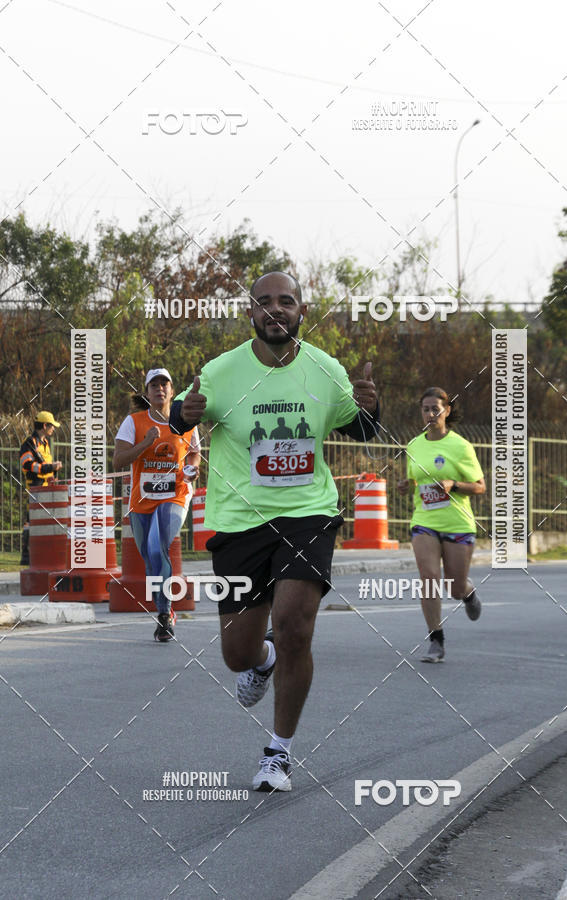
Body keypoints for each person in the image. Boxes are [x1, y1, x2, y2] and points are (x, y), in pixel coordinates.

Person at [169, 271, 380, 792]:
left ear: (301, 311)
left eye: (286, 301)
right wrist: (181, 413)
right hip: (240, 521)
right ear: (250, 315)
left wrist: (371, 407)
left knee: (294, 626)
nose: (275, 310)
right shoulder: (221, 372)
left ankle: (278, 754)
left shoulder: (324, 369)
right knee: (236, 653)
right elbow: (179, 421)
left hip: (308, 512)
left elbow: (363, 430)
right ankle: (259, 662)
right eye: (264, 302)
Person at [398, 387, 486, 663]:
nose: (430, 414)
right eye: (425, 409)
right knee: (429, 579)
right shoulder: (414, 445)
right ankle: (436, 639)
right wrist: (405, 485)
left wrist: (454, 485)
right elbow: (414, 481)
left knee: (454, 587)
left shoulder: (460, 446)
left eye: (435, 408)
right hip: (425, 520)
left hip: (457, 522)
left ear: (447, 411)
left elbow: (480, 487)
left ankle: (467, 593)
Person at [113, 368, 201, 642]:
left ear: (172, 391)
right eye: (154, 385)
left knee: (156, 545)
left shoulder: (185, 421)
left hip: (175, 493)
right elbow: (118, 460)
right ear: (147, 392)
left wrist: (192, 469)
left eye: (165, 384)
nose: (160, 389)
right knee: (150, 559)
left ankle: (164, 615)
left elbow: (195, 453)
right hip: (142, 500)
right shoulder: (134, 422)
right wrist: (147, 443)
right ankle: (165, 610)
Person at [19, 410, 63, 565]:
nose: (53, 429)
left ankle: (44, 553)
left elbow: (46, 466)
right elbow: (27, 464)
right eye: (52, 426)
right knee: (32, 521)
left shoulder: (44, 444)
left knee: (47, 521)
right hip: (36, 487)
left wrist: (52, 473)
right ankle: (27, 555)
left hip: (47, 487)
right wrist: (49, 468)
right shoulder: (29, 443)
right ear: (45, 425)